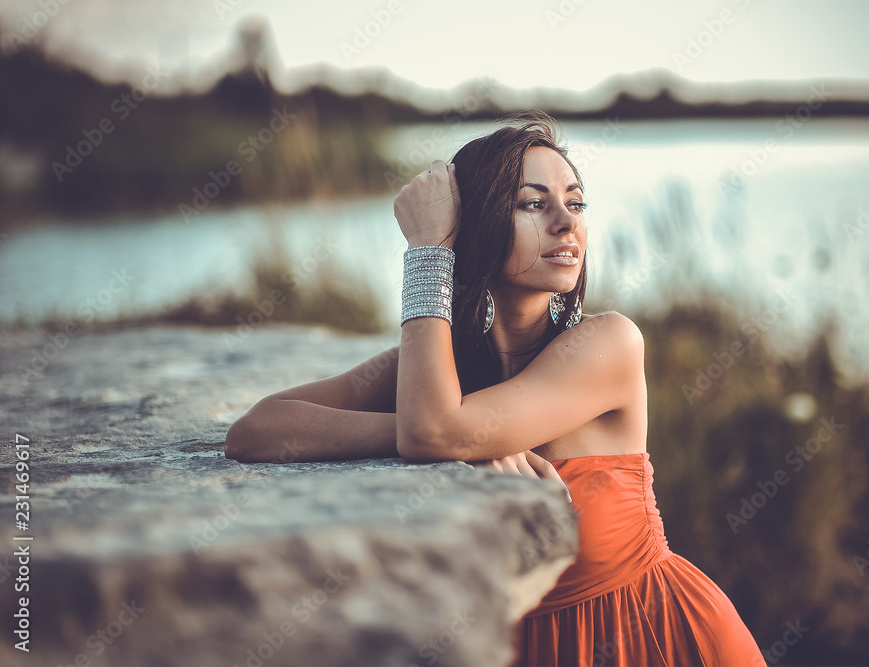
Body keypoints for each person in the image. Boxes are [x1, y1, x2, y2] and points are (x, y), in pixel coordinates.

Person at [225, 110, 766, 667]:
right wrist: (460, 440)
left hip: (649, 638)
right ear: (480, 225)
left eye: (575, 203)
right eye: (534, 203)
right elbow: (256, 430)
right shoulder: (442, 377)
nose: (566, 222)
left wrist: (452, 428)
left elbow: (434, 429)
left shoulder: (610, 344)